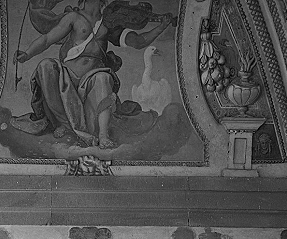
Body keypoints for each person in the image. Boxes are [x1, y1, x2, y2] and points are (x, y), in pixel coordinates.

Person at [12, 0, 174, 148]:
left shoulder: (108, 24)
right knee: (46, 66)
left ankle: (103, 135)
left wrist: (161, 27)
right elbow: (47, 39)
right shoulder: (73, 18)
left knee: (103, 77)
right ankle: (64, 125)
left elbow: (139, 42)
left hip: (92, 78)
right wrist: (27, 54)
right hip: (66, 75)